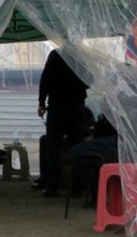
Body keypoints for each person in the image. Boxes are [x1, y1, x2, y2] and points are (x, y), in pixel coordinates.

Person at [37, 47, 90, 197]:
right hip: (76, 107)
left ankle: (52, 187)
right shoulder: (82, 56)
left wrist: (41, 103)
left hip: (57, 107)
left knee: (53, 147)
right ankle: (78, 188)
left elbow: (45, 79)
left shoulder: (55, 55)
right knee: (78, 147)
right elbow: (89, 81)